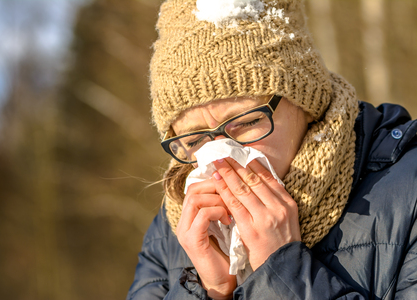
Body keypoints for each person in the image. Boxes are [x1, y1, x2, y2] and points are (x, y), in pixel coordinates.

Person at [127, 0, 417, 299]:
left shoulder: (410, 195)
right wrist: (210, 291)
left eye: (246, 121)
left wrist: (280, 273)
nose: (221, 157)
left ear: (307, 103)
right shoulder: (173, 229)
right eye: (194, 141)